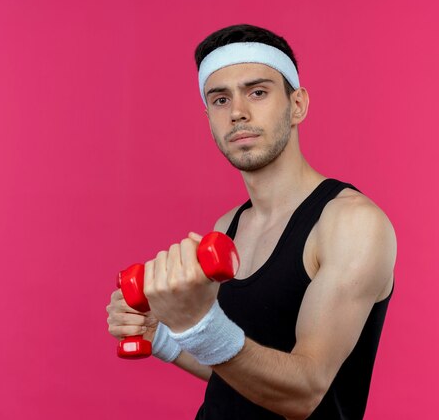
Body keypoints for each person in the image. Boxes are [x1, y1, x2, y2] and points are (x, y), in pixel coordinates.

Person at [106, 24, 397, 420]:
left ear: (297, 105)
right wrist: (164, 334)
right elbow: (238, 370)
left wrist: (197, 324)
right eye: (220, 99)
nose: (238, 112)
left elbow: (303, 392)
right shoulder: (228, 225)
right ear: (208, 116)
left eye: (257, 92)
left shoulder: (352, 223)